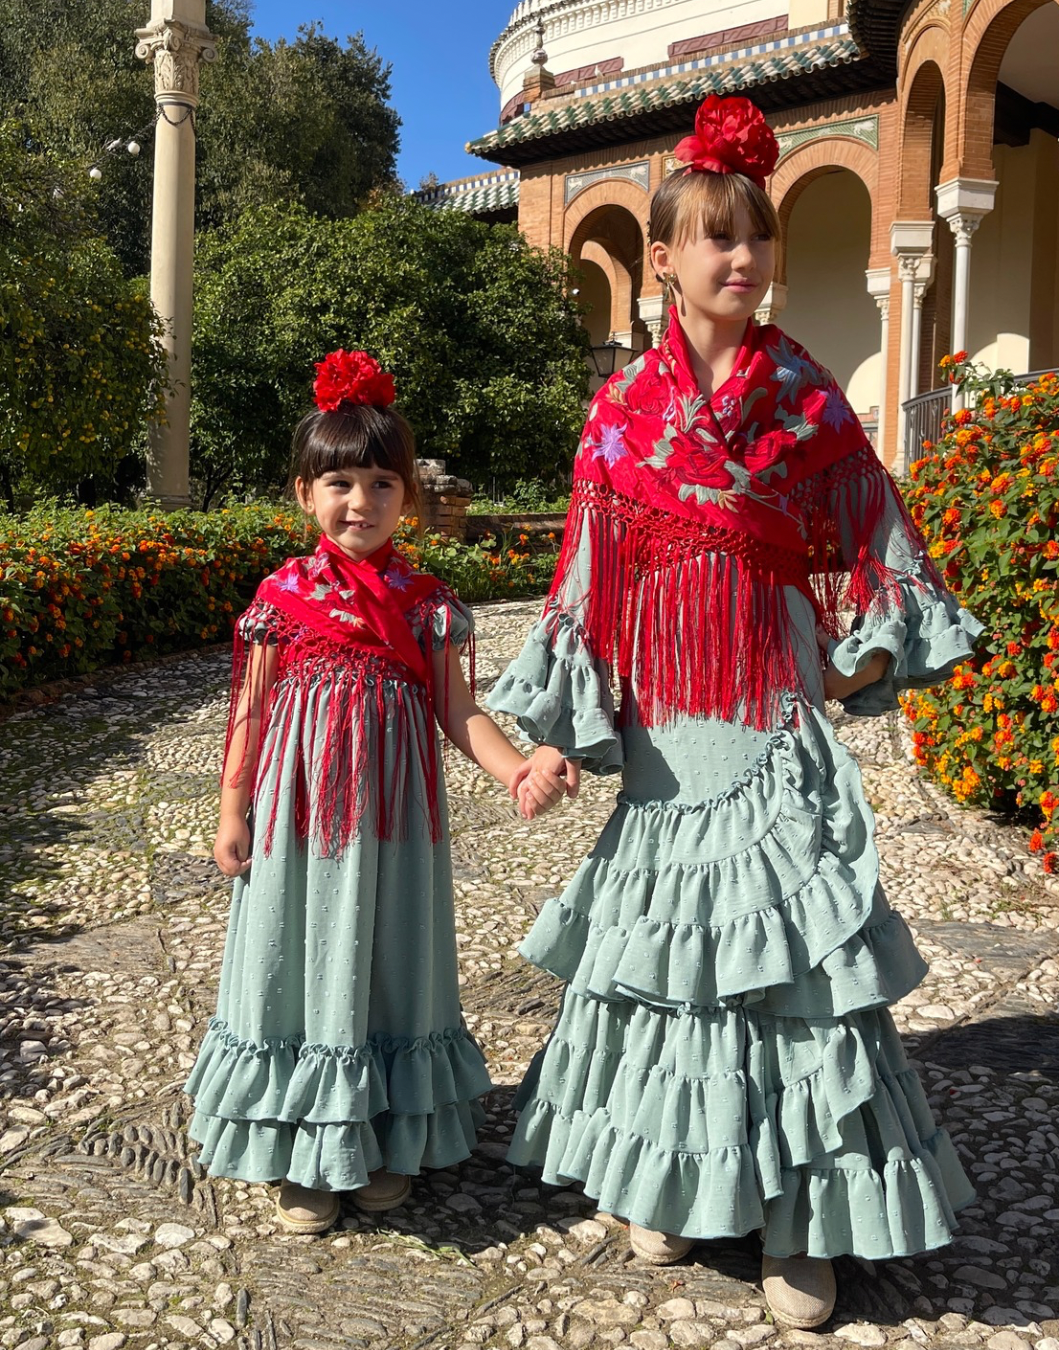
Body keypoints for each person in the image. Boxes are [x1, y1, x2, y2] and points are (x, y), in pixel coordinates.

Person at [497, 96, 979, 1328]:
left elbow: (875, 526)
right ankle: (675, 1180)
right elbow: (588, 576)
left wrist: (866, 656)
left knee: (790, 959)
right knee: (670, 958)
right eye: (715, 237)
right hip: (666, 722)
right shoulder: (620, 413)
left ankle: (803, 1219)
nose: (743, 258)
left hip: (770, 710)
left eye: (756, 236)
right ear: (662, 259)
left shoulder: (808, 394)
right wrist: (559, 718)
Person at [185, 350, 566, 1234]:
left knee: (388, 962)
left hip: (397, 825)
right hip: (299, 822)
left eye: (383, 483)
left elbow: (457, 710)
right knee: (301, 958)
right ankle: (305, 1148)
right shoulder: (282, 599)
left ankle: (382, 1133)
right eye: (341, 483)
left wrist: (516, 769)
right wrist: (232, 810)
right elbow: (250, 712)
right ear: (303, 494)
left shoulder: (428, 603)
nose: (361, 502)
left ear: (411, 496)